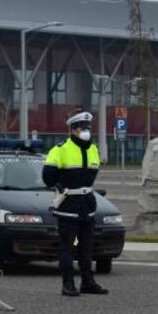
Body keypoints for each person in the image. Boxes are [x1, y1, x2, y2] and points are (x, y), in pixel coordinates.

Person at [42, 111, 109, 297]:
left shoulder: (93, 148)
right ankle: (68, 284)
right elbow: (48, 177)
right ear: (73, 130)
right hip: (68, 204)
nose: (86, 131)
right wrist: (60, 185)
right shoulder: (60, 149)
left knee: (87, 247)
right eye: (82, 128)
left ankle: (88, 282)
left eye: (88, 127)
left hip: (87, 204)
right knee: (67, 247)